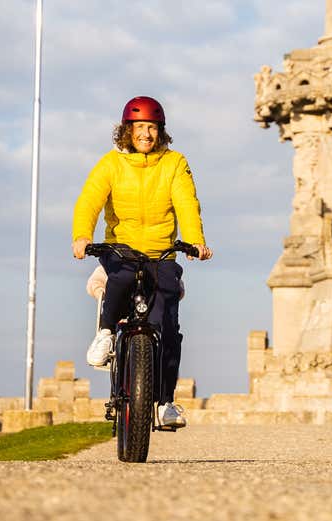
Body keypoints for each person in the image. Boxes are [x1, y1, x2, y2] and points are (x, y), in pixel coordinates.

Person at [71, 96, 212, 428]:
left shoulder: (174, 163)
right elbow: (89, 199)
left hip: (161, 252)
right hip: (122, 249)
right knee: (118, 277)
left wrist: (195, 242)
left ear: (160, 131)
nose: (145, 134)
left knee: (169, 323)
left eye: (151, 127)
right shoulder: (111, 164)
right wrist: (82, 235)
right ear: (127, 131)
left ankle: (165, 403)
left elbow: (187, 204)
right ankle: (106, 334)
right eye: (139, 127)